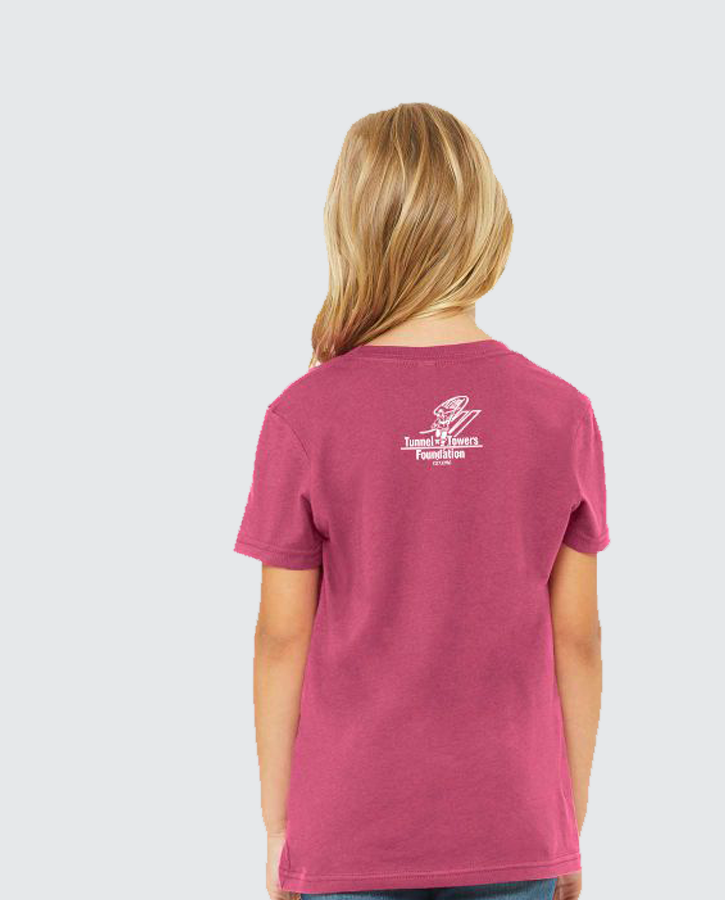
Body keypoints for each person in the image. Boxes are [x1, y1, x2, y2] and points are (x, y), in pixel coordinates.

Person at [235, 103, 609, 900]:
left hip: (348, 830)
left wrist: (277, 827)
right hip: (515, 829)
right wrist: (567, 827)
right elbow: (576, 640)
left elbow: (280, 638)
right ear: (486, 223)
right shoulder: (562, 414)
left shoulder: (304, 417)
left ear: (353, 228)